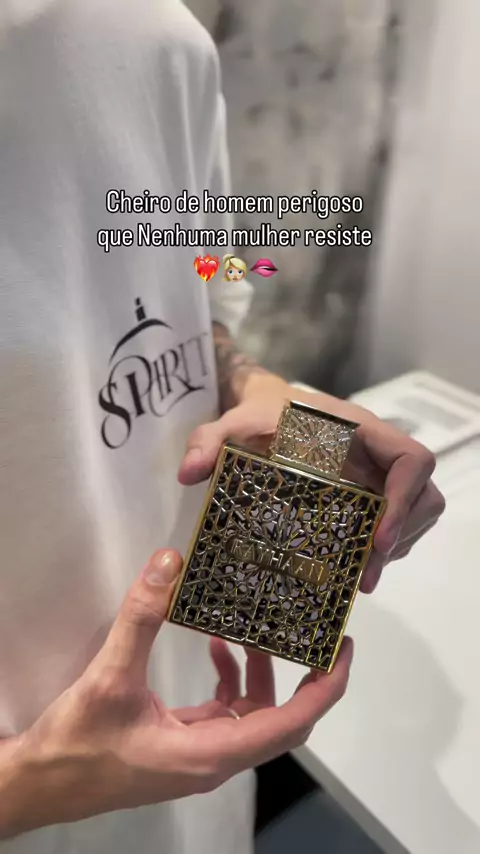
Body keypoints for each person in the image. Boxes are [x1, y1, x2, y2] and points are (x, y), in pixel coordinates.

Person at [0, 2, 445, 853]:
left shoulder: (163, 36)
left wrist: (271, 398)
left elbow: (201, 294)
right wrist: (27, 782)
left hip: (201, 731)